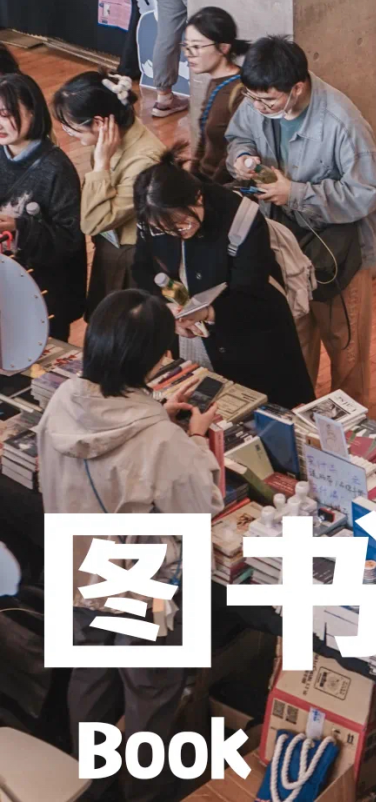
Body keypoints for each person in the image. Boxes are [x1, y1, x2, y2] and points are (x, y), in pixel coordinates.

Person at [38, 289, 222, 802]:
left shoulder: (63, 400)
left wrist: (156, 415)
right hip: (139, 583)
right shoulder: (161, 441)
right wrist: (196, 440)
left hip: (77, 567)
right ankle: (145, 793)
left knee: (90, 675)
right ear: (157, 358)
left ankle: (87, 784)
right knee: (150, 692)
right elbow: (199, 507)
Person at [226, 36, 376, 402]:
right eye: (251, 98)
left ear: (296, 88)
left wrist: (294, 193)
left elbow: (368, 191)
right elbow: (237, 136)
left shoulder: (341, 121)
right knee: (292, 345)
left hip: (340, 254)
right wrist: (242, 158)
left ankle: (348, 430)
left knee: (346, 351)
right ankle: (298, 421)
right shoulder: (257, 100)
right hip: (282, 245)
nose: (257, 107)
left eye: (268, 100)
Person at [133, 150, 314, 407]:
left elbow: (251, 291)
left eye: (183, 224)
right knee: (200, 411)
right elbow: (143, 271)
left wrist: (208, 312)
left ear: (197, 197)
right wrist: (167, 311)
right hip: (191, 339)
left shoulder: (240, 217)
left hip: (251, 337)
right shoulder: (152, 219)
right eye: (164, 230)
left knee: (262, 412)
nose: (177, 235)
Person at [53, 71, 164, 312]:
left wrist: (101, 163)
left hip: (132, 255)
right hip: (111, 246)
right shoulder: (110, 139)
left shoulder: (145, 161)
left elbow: (93, 222)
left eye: (72, 128)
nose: (69, 133)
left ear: (99, 122)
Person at [0, 72, 85, 338]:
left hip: (43, 293)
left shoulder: (57, 168)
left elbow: (70, 239)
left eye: (6, 114)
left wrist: (19, 226)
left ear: (33, 112)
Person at [184, 6, 246, 184]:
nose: (189, 53)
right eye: (187, 46)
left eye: (197, 46)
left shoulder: (241, 91)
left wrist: (209, 190)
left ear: (223, 48)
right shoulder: (215, 82)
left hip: (223, 187)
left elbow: (231, 154)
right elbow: (203, 140)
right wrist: (193, 177)